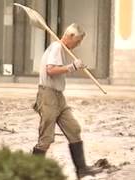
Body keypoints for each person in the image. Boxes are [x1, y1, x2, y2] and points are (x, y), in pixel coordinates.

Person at [32, 23, 102, 179]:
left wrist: (73, 66)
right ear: (70, 36)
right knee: (46, 138)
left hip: (59, 97)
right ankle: (31, 173)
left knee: (74, 129)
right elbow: (50, 70)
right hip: (48, 96)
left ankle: (81, 169)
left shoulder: (62, 49)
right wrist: (72, 67)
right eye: (77, 42)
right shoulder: (57, 48)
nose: (78, 45)